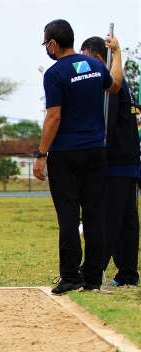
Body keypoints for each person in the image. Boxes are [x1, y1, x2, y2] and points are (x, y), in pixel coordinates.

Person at [33, 20, 123, 294]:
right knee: (95, 214)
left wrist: (40, 154)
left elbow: (54, 116)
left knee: (69, 216)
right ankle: (93, 278)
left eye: (45, 43)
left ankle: (71, 276)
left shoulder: (54, 73)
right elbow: (115, 85)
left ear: (53, 44)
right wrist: (118, 55)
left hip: (65, 154)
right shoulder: (95, 67)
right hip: (96, 151)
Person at [81, 37, 140, 287]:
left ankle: (93, 273)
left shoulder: (111, 86)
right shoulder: (118, 82)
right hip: (127, 164)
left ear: (98, 58)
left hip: (115, 164)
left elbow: (107, 122)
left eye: (86, 59)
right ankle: (127, 275)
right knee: (126, 222)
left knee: (108, 220)